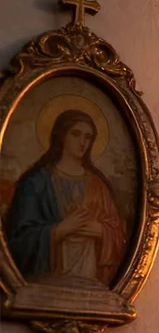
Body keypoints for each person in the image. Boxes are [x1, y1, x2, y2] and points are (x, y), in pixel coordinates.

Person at [6, 109, 126, 288]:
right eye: (76, 134)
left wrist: (102, 231)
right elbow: (17, 239)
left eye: (88, 137)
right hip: (45, 285)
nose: (82, 142)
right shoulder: (36, 183)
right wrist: (59, 230)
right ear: (62, 135)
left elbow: (119, 234)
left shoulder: (98, 186)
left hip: (90, 283)